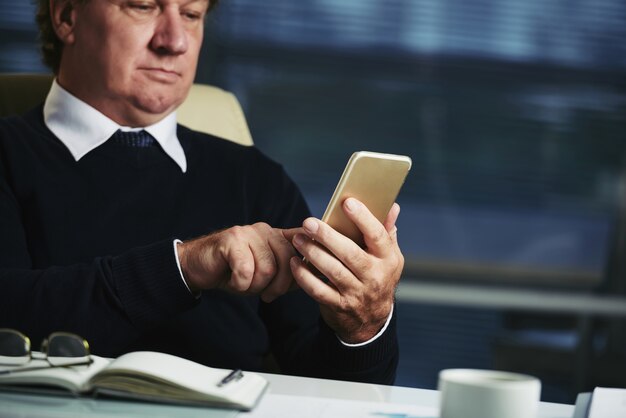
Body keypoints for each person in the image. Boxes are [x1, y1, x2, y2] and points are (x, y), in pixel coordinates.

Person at [0, 0, 403, 384]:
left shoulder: (257, 179)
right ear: (67, 16)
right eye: (143, 7)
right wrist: (184, 267)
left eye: (192, 14)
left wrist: (363, 326)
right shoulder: (8, 155)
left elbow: (332, 390)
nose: (174, 41)